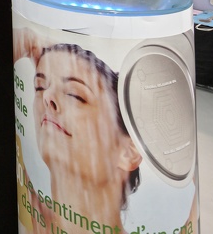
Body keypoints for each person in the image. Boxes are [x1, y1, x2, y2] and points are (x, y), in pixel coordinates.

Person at [13, 33, 143, 234]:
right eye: (40, 87)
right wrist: (30, 41)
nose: (47, 96)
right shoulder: (28, 216)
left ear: (129, 151)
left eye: (74, 94)